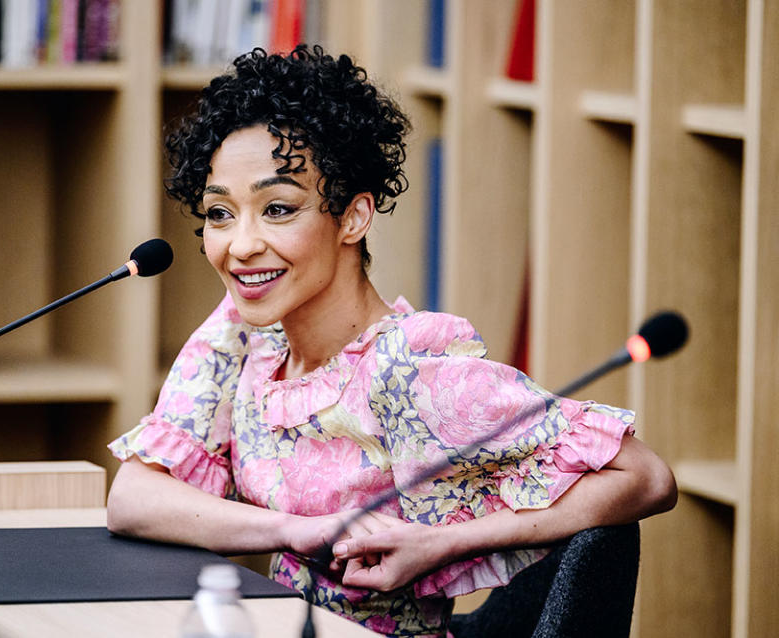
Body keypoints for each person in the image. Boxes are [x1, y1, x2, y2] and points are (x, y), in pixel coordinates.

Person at [106, 45, 677, 637]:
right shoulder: (245, 333)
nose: (240, 245)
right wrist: (294, 531)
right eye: (220, 214)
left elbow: (645, 477)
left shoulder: (412, 369)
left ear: (353, 217)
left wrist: (442, 543)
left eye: (277, 209)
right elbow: (133, 500)